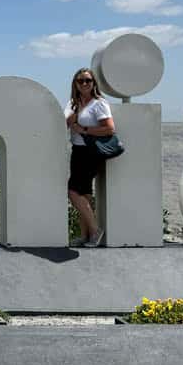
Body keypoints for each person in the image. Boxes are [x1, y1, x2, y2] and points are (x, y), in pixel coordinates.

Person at [65, 68, 114, 247]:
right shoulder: (73, 103)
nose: (85, 84)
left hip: (91, 153)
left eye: (88, 80)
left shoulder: (99, 103)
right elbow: (65, 123)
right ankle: (84, 236)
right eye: (81, 81)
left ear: (94, 83)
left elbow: (109, 128)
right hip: (77, 151)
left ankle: (95, 230)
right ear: (75, 84)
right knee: (84, 194)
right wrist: (76, 114)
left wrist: (85, 130)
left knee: (73, 192)